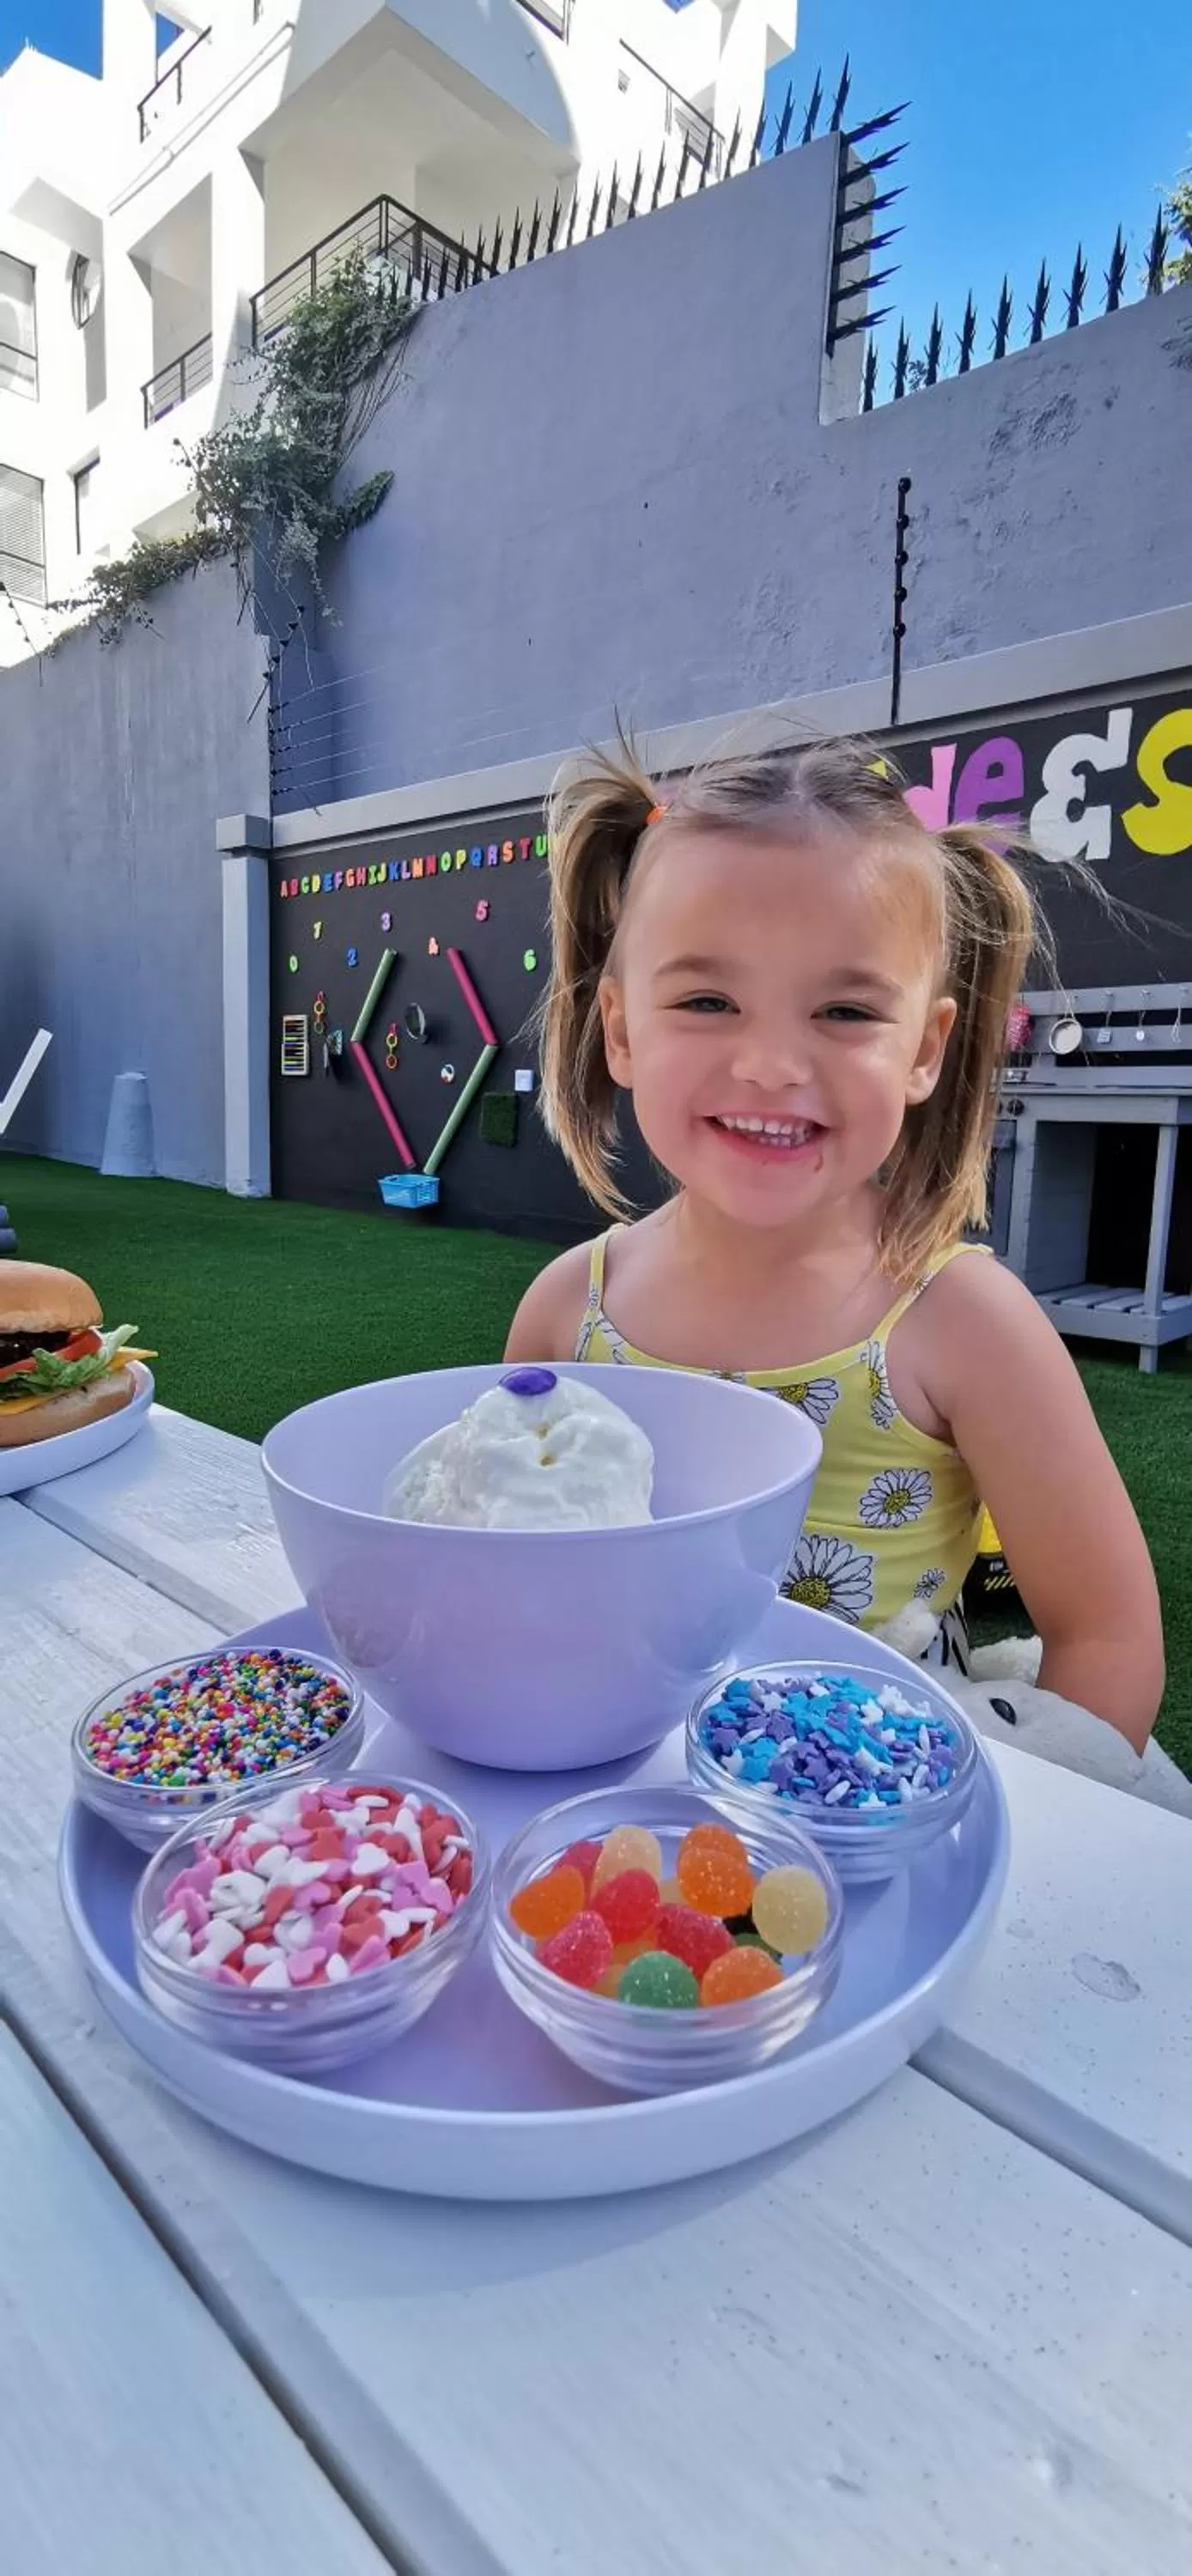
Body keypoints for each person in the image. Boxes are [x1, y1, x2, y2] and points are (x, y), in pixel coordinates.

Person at [506, 734, 1164, 1753]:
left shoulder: (962, 1326)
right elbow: (512, 1565)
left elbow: (1107, 1638)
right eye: (707, 1001)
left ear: (925, 1050)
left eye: (846, 1010)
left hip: (880, 1822)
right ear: (621, 1029)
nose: (770, 1064)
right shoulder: (563, 1314)